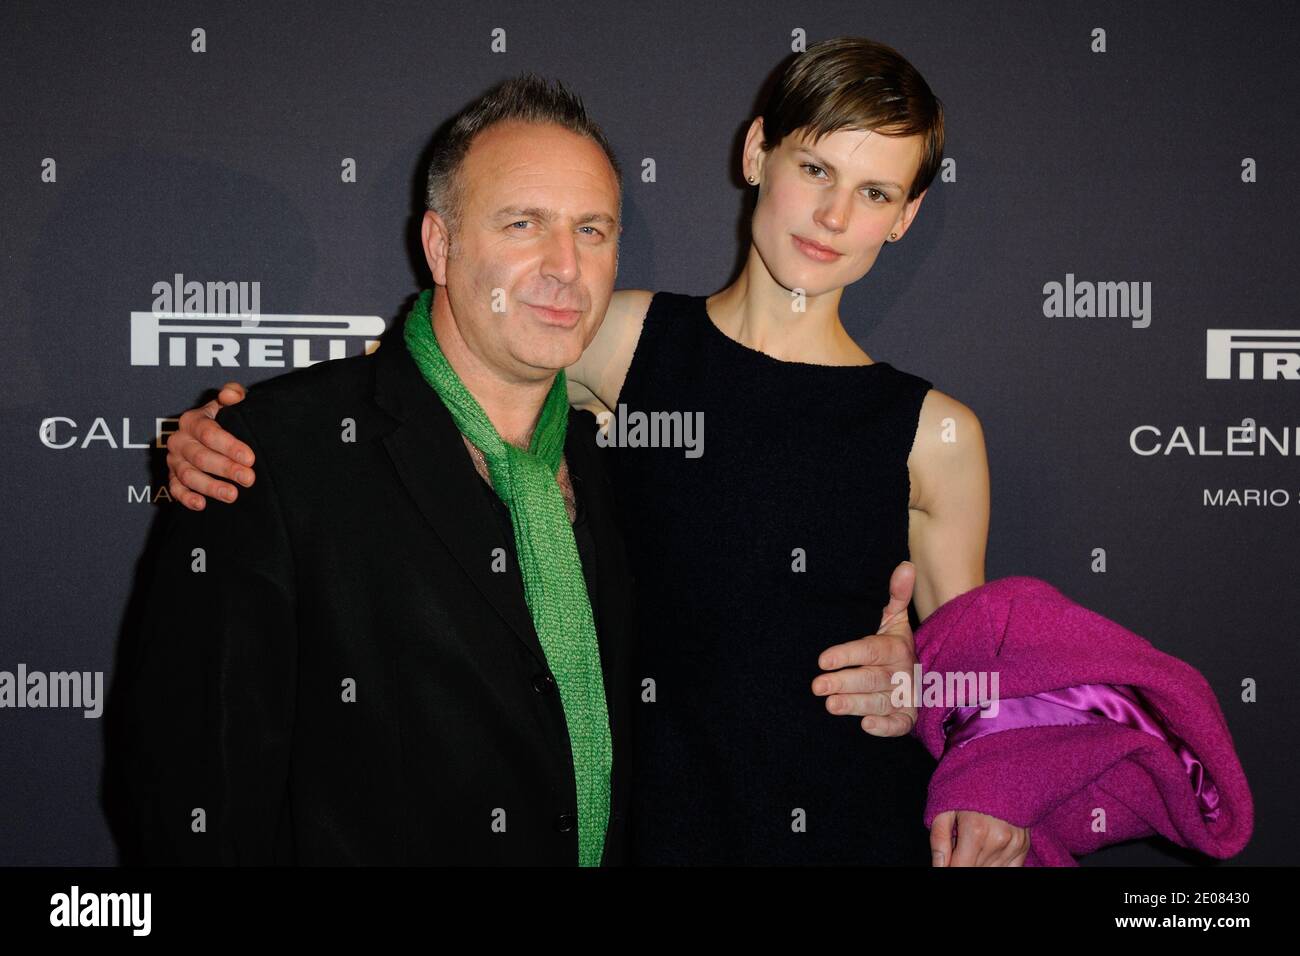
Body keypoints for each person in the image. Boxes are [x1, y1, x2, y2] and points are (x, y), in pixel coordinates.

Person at [164, 39, 1031, 865]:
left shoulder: (936, 431)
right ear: (757, 152)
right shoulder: (620, 336)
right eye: (816, 170)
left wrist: (921, 688)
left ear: (908, 216)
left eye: (877, 193)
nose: (836, 217)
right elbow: (418, 379)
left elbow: (984, 691)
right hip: (649, 829)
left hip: (847, 827)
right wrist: (232, 433)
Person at [119, 76, 639, 865]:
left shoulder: (613, 474)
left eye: (593, 230)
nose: (565, 265)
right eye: (523, 223)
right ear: (440, 244)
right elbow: (192, 797)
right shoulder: (268, 456)